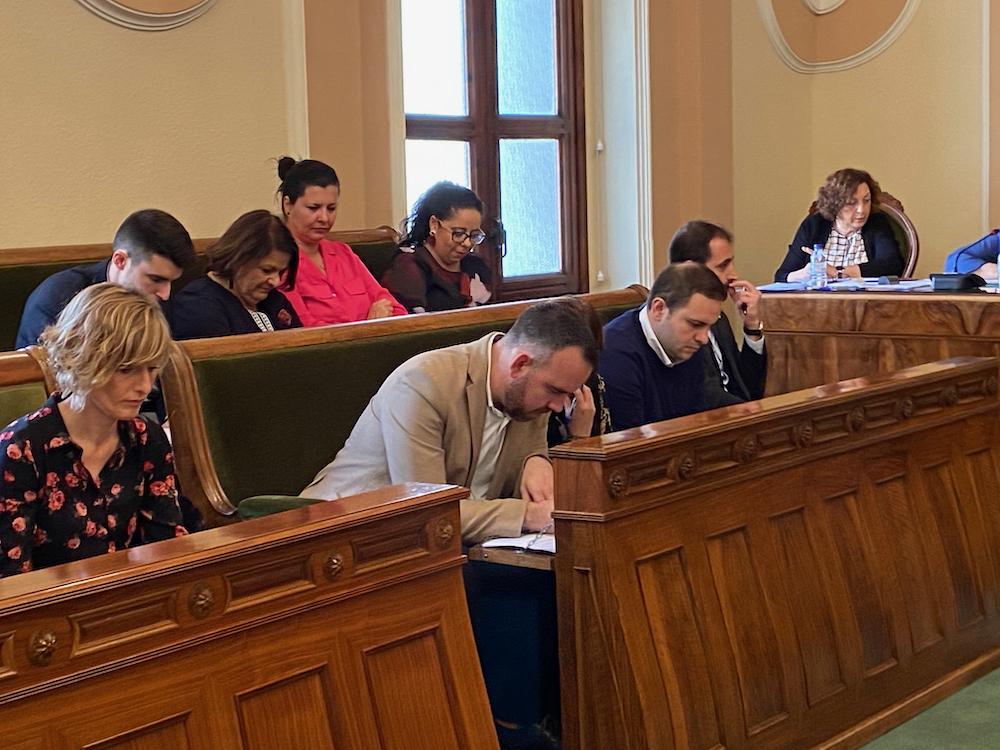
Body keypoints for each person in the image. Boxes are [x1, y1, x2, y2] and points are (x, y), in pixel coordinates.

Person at [299, 297, 598, 544]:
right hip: (346, 537)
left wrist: (538, 459)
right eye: (555, 391)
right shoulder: (423, 382)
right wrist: (527, 515)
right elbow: (428, 512)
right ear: (519, 364)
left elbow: (527, 464)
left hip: (448, 545)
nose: (559, 406)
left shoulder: (528, 394)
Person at [0, 284, 188, 576]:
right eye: (126, 369)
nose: (145, 386)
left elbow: (165, 549)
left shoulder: (147, 438)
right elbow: (11, 578)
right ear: (82, 359)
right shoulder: (21, 450)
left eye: (152, 369)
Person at [16, 209, 196, 348]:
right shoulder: (58, 297)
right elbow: (46, 374)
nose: (165, 294)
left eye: (170, 281)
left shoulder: (154, 299)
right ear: (120, 260)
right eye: (156, 279)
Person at [276, 156, 406, 325]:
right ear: (287, 205)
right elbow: (304, 330)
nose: (324, 218)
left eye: (331, 208)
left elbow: (396, 309)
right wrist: (368, 326)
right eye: (313, 208)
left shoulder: (343, 253)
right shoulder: (279, 262)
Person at [600, 263, 727, 432]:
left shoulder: (687, 344)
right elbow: (630, 442)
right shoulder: (615, 354)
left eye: (709, 326)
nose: (704, 339)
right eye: (695, 324)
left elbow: (696, 421)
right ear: (659, 309)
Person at [669, 220, 766, 406]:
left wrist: (752, 326)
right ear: (691, 269)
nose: (733, 275)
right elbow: (704, 396)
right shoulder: (676, 325)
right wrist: (750, 412)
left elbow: (749, 389)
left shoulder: (718, 319)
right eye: (723, 266)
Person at [170, 210, 301, 339]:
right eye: (266, 270)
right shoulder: (198, 306)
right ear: (238, 260)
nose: (275, 281)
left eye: (281, 272)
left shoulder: (274, 299)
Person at [774, 168, 904, 283]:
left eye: (866, 200)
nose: (862, 210)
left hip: (866, 301)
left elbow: (893, 265)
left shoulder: (877, 222)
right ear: (835, 204)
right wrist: (804, 274)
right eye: (851, 203)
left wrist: (840, 273)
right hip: (818, 301)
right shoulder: (814, 225)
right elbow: (782, 276)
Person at [381, 181, 493, 313]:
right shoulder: (409, 266)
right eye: (458, 233)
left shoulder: (475, 266)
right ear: (434, 224)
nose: (467, 243)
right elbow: (409, 320)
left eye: (474, 235)